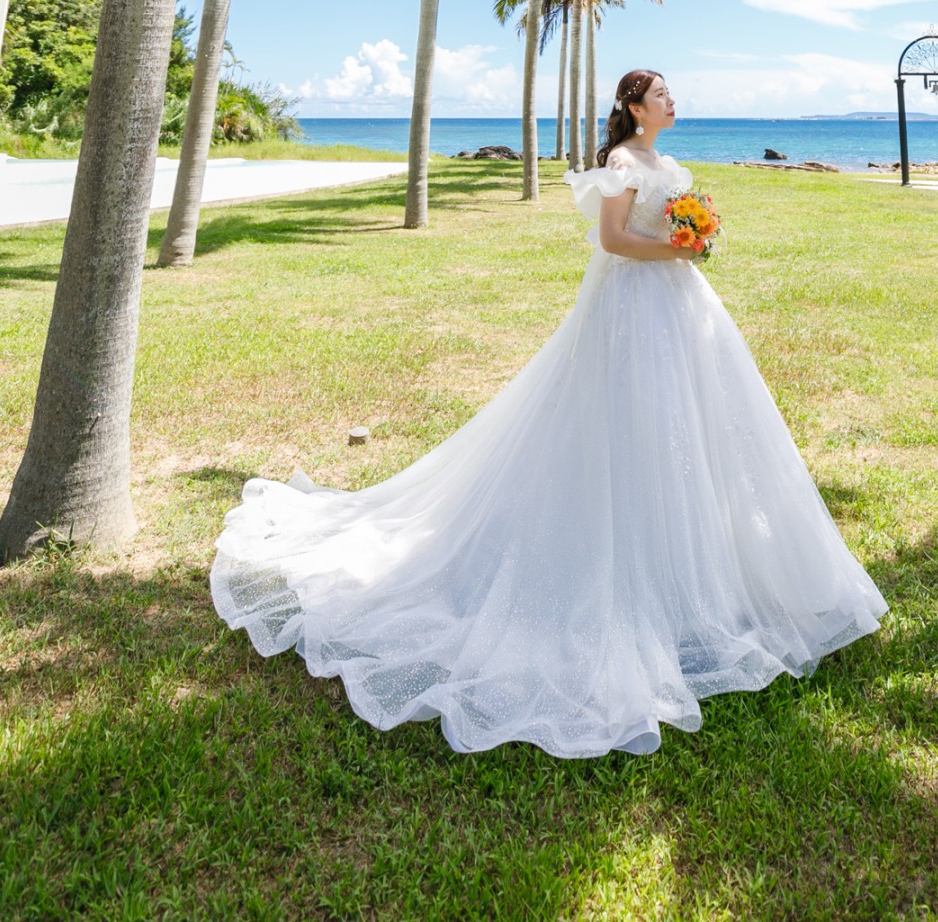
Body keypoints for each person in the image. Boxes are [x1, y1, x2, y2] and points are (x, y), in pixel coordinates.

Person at [210, 68, 885, 757]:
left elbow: (667, 218)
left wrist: (691, 241)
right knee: (627, 427)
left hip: (679, 307)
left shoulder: (663, 161)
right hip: (635, 306)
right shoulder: (623, 163)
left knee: (691, 428)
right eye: (661, 96)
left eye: (670, 96)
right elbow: (615, 240)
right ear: (633, 107)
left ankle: (700, 568)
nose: (671, 102)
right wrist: (677, 247)